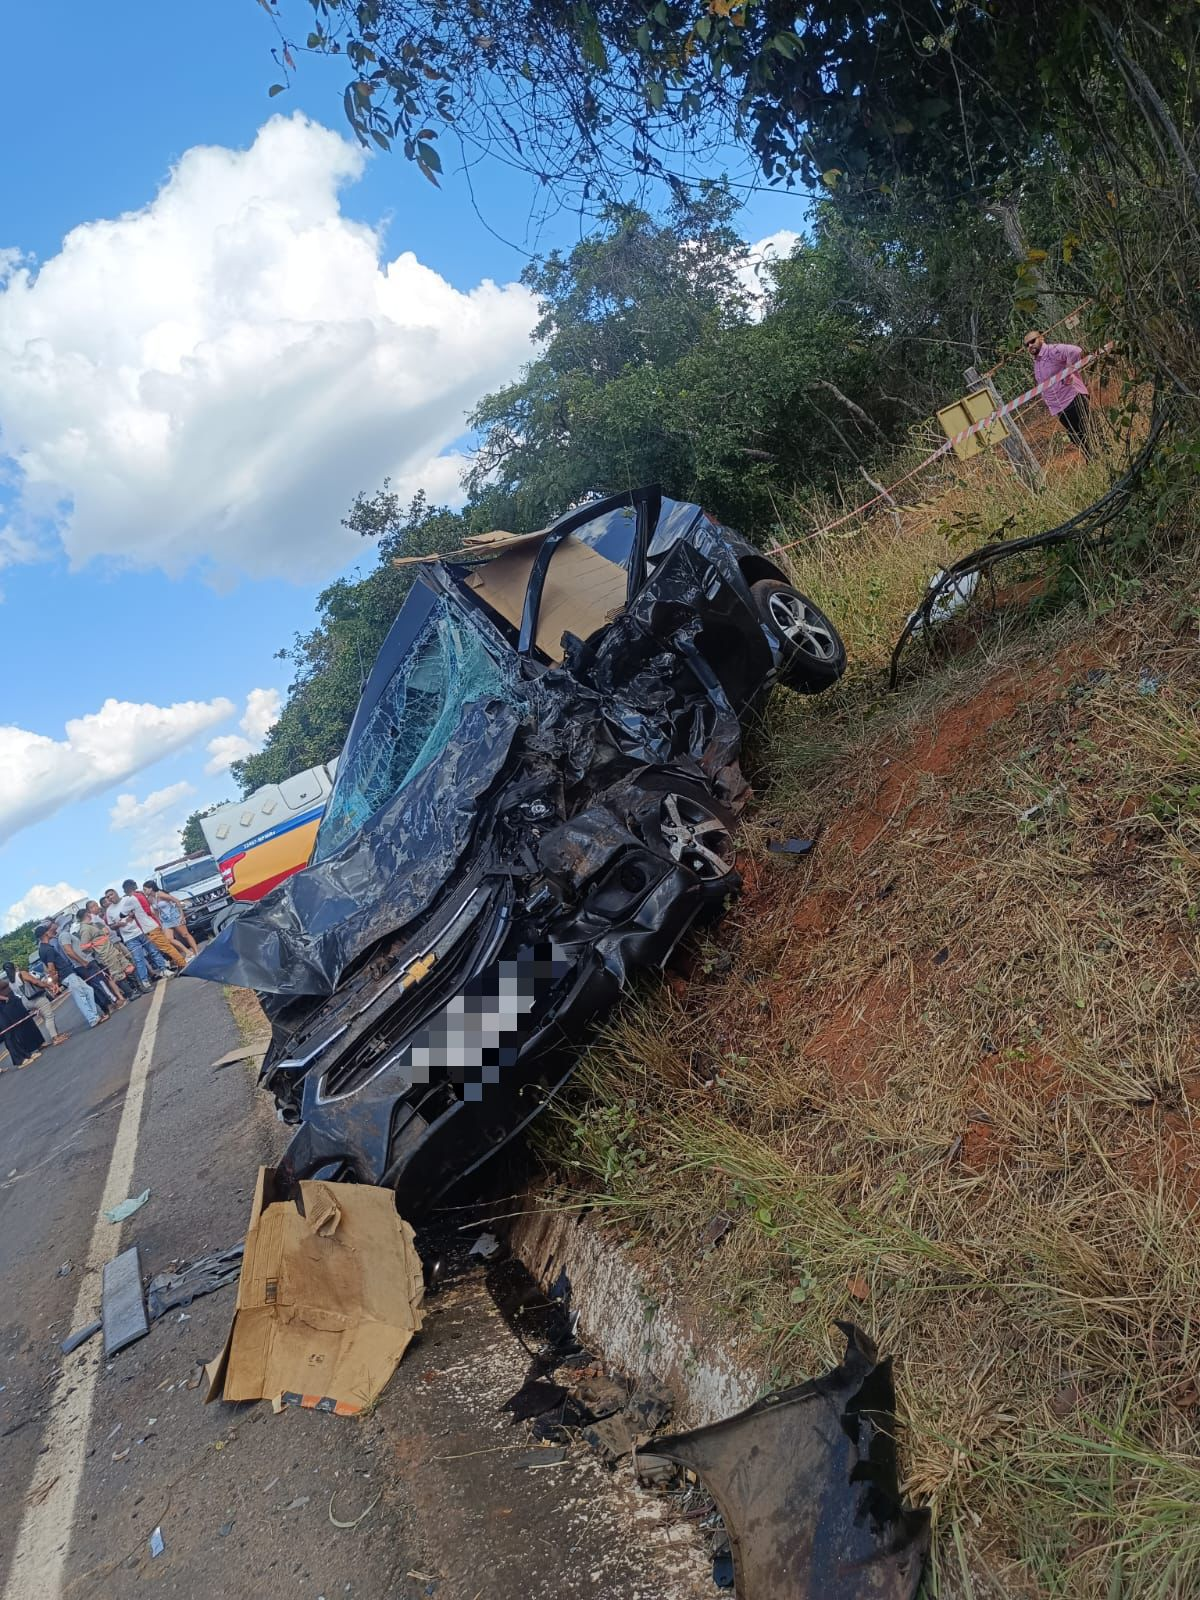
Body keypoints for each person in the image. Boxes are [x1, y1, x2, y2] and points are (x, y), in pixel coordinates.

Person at [1023, 329, 1095, 457]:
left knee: (1089, 429)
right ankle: (1091, 457)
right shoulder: (1037, 362)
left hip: (1072, 398)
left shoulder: (1053, 350)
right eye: (1027, 344)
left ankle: (1104, 453)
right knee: (1075, 436)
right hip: (1059, 407)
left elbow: (1075, 351)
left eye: (1032, 341)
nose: (1030, 346)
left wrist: (1069, 370)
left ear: (1041, 338)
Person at [35, 920, 106, 1028]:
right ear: (45, 934)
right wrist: (55, 983)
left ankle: (94, 1015)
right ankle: (92, 1019)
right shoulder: (48, 949)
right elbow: (51, 967)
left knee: (88, 990)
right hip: (66, 973)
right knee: (80, 996)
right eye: (47, 931)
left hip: (67, 973)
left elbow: (48, 967)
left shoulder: (42, 949)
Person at [103, 887, 170, 986]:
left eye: (111, 895)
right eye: (108, 897)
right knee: (138, 959)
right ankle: (145, 980)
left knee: (153, 951)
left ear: (116, 893)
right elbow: (111, 926)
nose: (110, 898)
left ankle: (164, 969)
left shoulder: (128, 899)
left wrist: (132, 916)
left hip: (141, 930)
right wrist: (118, 925)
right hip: (129, 937)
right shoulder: (109, 911)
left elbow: (139, 910)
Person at [78, 901, 144, 1000]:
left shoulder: (92, 925)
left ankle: (139, 987)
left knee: (128, 966)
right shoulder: (85, 929)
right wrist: (96, 949)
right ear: (87, 914)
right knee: (118, 974)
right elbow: (84, 947)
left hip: (112, 950)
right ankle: (130, 993)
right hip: (106, 954)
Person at [116, 880, 186, 970]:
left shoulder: (131, 899)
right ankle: (179, 962)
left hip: (149, 927)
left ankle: (181, 963)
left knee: (166, 947)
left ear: (126, 889)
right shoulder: (141, 895)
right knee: (166, 946)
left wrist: (130, 913)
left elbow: (122, 914)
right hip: (153, 923)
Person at [59, 915, 124, 1011]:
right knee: (100, 983)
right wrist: (83, 962)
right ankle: (114, 1001)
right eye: (70, 922)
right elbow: (69, 951)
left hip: (85, 962)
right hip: (84, 963)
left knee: (98, 984)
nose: (72, 923)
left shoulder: (68, 934)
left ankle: (110, 1004)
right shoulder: (64, 935)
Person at [2, 960, 68, 1046]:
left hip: (25, 1002)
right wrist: (49, 986)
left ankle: (57, 1035)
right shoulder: (21, 974)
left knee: (45, 1017)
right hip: (36, 998)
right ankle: (55, 1037)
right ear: (14, 967)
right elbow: (36, 982)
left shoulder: (10, 982)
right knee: (49, 1016)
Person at [143, 881, 198, 960]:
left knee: (185, 934)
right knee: (169, 939)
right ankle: (187, 952)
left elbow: (176, 901)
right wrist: (159, 922)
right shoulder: (150, 899)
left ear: (151, 889)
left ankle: (196, 952)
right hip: (165, 920)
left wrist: (182, 915)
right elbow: (156, 911)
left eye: (145, 889)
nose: (144, 891)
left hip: (174, 915)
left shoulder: (161, 894)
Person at [0, 979, 44, 1067]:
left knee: (13, 1033)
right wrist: (6, 998)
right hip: (3, 1007)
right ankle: (19, 1060)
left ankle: (26, 1055)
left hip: (6, 1005)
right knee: (9, 1035)